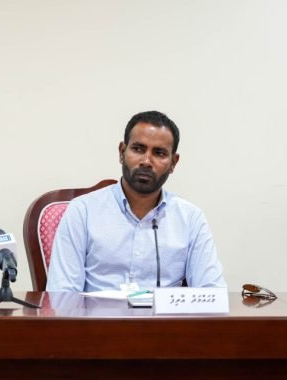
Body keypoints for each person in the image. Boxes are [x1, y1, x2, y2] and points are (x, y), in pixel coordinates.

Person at [46, 111, 225, 292]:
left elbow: (212, 293)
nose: (146, 161)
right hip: (97, 319)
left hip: (164, 320)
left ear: (173, 163)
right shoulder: (82, 211)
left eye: (159, 153)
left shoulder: (190, 219)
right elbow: (62, 295)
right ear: (122, 152)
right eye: (138, 149)